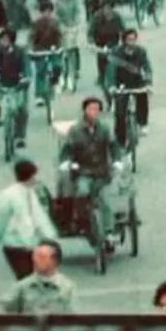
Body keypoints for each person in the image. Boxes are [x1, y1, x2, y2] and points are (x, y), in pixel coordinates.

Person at [59, 98, 122, 250]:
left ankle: (109, 231)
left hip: (102, 172)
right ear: (85, 111)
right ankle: (82, 221)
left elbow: (114, 146)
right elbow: (67, 149)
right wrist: (67, 162)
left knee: (106, 199)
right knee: (82, 192)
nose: (94, 112)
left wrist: (117, 161)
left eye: (97, 109)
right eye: (91, 109)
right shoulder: (75, 130)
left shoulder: (105, 129)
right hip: (83, 171)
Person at [0, 159, 58, 281]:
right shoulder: (9, 195)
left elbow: (39, 217)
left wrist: (50, 237)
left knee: (32, 278)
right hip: (14, 244)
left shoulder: (30, 194)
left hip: (30, 244)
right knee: (25, 277)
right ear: (31, 176)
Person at [0, 240, 76, 314]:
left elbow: (75, 318)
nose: (35, 260)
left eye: (41, 257)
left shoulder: (68, 288)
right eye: (34, 256)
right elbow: (2, 311)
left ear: (54, 260)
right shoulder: (22, 287)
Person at [0, 29, 32, 146]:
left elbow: (27, 66)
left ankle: (20, 137)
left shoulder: (20, 51)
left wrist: (26, 77)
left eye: (6, 39)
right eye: (2, 39)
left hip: (18, 83)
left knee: (22, 109)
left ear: (12, 40)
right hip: (1, 82)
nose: (3, 41)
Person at [108, 28, 152, 142]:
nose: (132, 42)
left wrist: (148, 83)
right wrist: (112, 85)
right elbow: (111, 70)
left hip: (137, 82)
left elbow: (147, 67)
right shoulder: (116, 53)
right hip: (121, 83)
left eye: (133, 39)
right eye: (129, 40)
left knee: (143, 99)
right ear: (124, 41)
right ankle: (120, 139)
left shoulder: (141, 52)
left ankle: (142, 124)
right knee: (120, 113)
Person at [29, 1, 63, 106]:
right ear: (41, 12)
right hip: (39, 50)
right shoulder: (36, 23)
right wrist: (31, 49)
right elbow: (32, 38)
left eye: (49, 11)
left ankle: (55, 82)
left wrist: (59, 47)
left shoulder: (55, 22)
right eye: (44, 11)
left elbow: (59, 36)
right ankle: (39, 96)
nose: (47, 14)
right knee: (40, 71)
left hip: (53, 49)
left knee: (57, 66)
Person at [88, 0, 125, 88]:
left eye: (109, 8)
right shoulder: (96, 17)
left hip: (113, 40)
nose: (107, 11)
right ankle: (101, 76)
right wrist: (92, 43)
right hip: (100, 41)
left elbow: (123, 30)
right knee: (101, 59)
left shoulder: (117, 17)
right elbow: (90, 32)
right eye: (105, 8)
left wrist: (124, 41)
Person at [54, 0, 83, 89]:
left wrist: (76, 25)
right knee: (62, 53)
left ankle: (74, 72)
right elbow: (56, 15)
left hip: (74, 29)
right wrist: (61, 26)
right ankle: (62, 74)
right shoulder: (58, 2)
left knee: (73, 52)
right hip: (61, 30)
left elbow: (80, 13)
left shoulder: (76, 0)